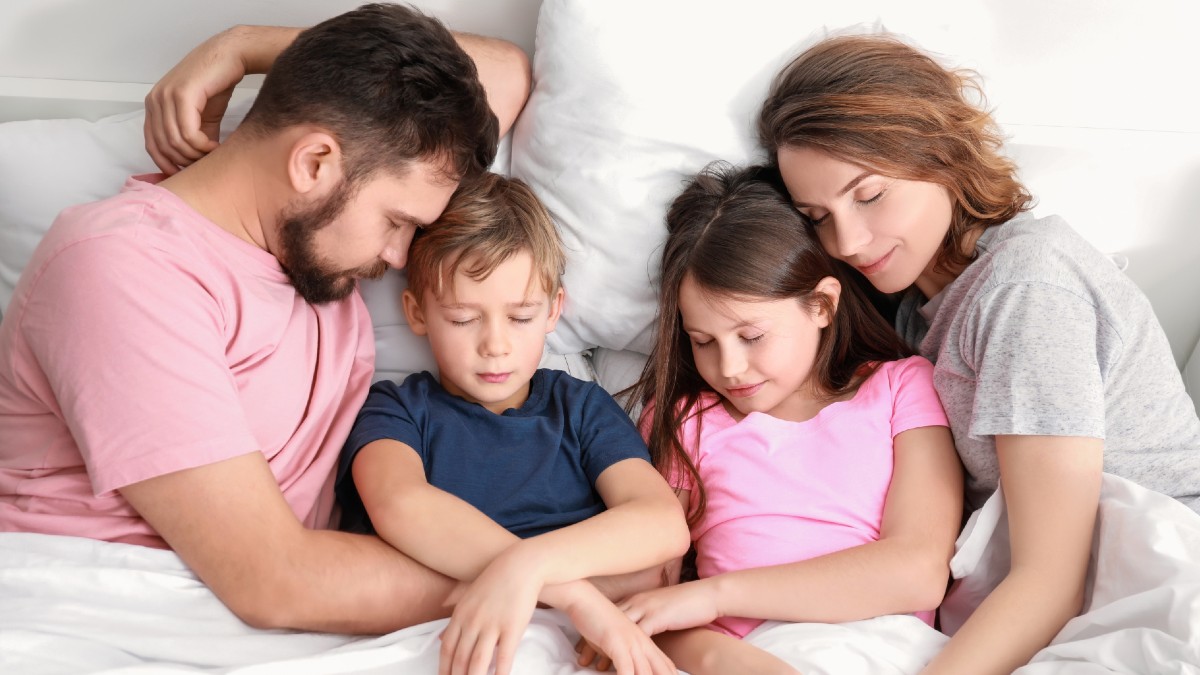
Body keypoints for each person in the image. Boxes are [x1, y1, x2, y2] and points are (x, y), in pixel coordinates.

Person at [0, 3, 528, 635]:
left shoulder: (306, 245)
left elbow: (504, 74)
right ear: (312, 163)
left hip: (246, 614)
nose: (397, 258)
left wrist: (243, 46)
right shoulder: (121, 266)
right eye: (397, 222)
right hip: (106, 606)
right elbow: (273, 581)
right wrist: (548, 583)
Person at [757, 33, 1200, 674]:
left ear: (940, 154)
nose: (847, 241)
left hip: (1154, 580)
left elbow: (1051, 579)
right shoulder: (909, 309)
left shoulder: (1025, 289)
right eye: (817, 215)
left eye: (870, 195)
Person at [609, 163, 963, 675]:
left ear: (821, 304)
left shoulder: (900, 388)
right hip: (741, 658)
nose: (729, 368)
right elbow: (652, 602)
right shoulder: (689, 420)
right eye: (703, 341)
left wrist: (715, 596)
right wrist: (719, 654)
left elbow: (919, 572)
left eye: (751, 337)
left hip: (877, 646)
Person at [335, 172, 688, 675]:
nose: (495, 346)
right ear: (417, 312)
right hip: (462, 629)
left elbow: (662, 523)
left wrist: (528, 568)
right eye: (463, 319)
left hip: (581, 644)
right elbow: (399, 503)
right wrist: (579, 596)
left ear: (553, 310)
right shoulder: (397, 409)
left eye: (521, 317)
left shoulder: (580, 407)